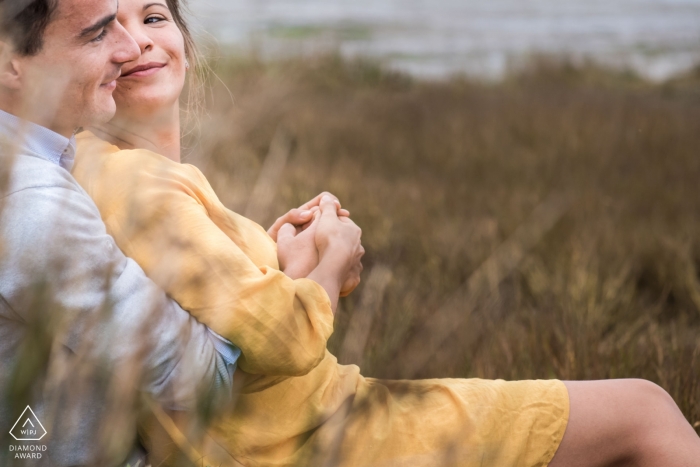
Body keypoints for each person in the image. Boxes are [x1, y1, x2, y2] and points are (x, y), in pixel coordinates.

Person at [72, 1, 700, 466]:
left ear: (184, 36)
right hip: (310, 442)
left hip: (298, 428)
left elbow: (209, 326)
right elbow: (275, 342)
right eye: (109, 25)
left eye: (154, 16)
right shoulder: (138, 184)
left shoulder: (119, 172)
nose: (139, 42)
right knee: (644, 414)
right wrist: (332, 261)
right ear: (82, 51)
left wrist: (274, 255)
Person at [0, 1, 241, 466]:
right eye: (97, 34)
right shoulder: (34, 206)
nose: (129, 49)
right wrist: (307, 282)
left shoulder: (52, 165)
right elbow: (197, 379)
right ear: (10, 62)